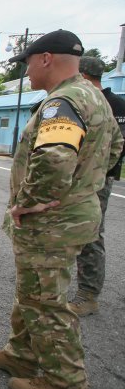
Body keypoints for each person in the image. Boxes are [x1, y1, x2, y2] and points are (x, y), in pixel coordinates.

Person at [0, 30, 122, 389]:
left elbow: (54, 160)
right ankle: (21, 354)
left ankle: (65, 384)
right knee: (33, 292)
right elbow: (114, 150)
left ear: (45, 58)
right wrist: (84, 187)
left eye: (27, 63)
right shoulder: (95, 97)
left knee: (45, 301)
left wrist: (28, 203)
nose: (26, 72)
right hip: (74, 213)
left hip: (53, 221)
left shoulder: (64, 100)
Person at [68, 57, 125, 316]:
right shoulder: (88, 99)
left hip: (94, 180)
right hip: (78, 178)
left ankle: (88, 294)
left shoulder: (113, 104)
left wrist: (95, 172)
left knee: (91, 233)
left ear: (82, 74)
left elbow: (118, 145)